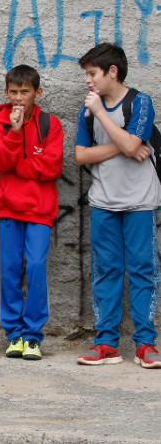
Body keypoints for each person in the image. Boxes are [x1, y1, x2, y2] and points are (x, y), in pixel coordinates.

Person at [73, 43, 161, 368]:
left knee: (142, 271)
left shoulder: (140, 102)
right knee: (107, 271)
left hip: (140, 202)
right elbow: (82, 155)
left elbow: (131, 143)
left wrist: (106, 120)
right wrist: (123, 145)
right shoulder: (87, 109)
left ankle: (146, 344)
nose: (88, 81)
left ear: (112, 72)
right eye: (86, 74)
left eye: (92, 73)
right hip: (103, 201)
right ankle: (107, 344)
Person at [0, 65, 64, 360]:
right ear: (6, 93)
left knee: (35, 267)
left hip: (40, 210)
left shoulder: (50, 124)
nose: (19, 98)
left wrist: (18, 165)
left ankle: (33, 335)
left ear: (37, 93)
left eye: (25, 92)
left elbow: (53, 167)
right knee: (9, 270)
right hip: (6, 207)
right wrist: (15, 132)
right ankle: (14, 333)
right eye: (14, 92)